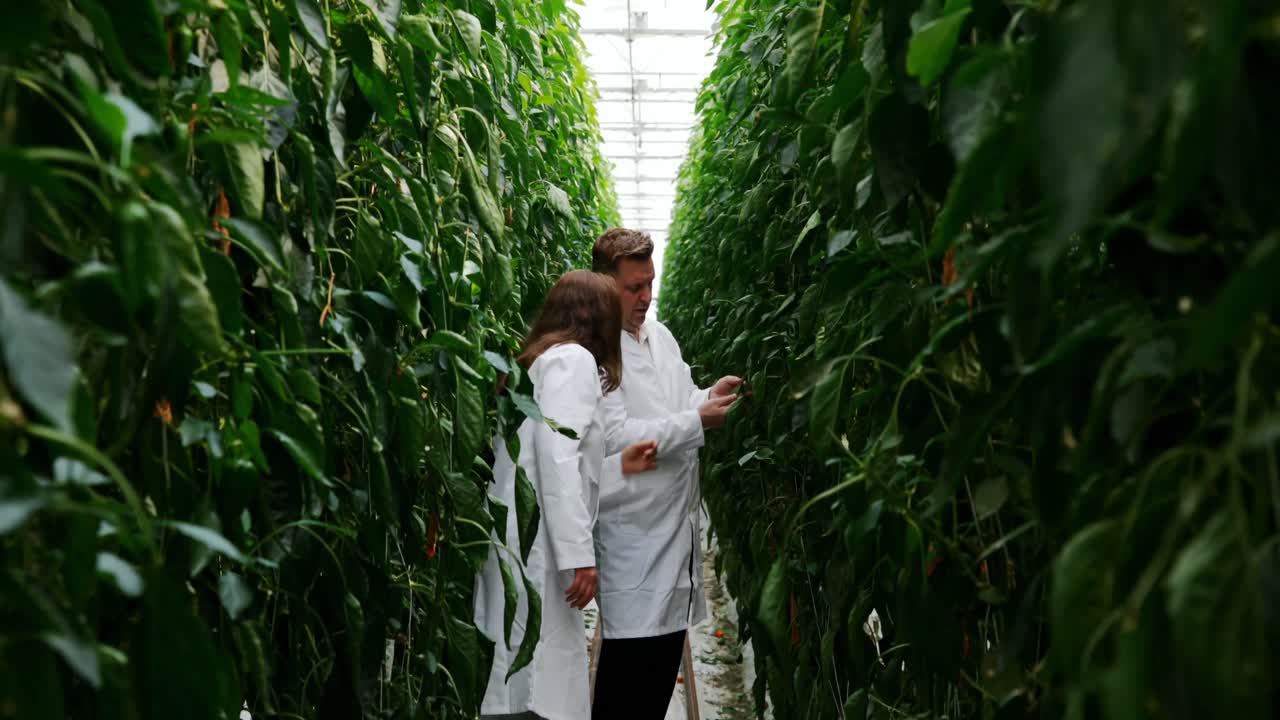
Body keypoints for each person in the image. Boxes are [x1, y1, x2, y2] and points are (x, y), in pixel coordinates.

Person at [475, 270, 663, 720]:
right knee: (538, 681)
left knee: (521, 674)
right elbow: (558, 454)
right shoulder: (574, 361)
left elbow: (558, 461)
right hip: (538, 544)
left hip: (522, 535)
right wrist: (579, 556)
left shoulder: (544, 358)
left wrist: (618, 467)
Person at [589, 228, 743, 719]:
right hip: (634, 546)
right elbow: (617, 441)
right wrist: (694, 421)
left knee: (654, 686)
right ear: (604, 283)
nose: (645, 297)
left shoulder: (660, 336)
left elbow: (680, 398)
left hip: (675, 544)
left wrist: (706, 397)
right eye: (633, 287)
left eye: (649, 283)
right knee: (625, 693)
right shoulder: (597, 353)